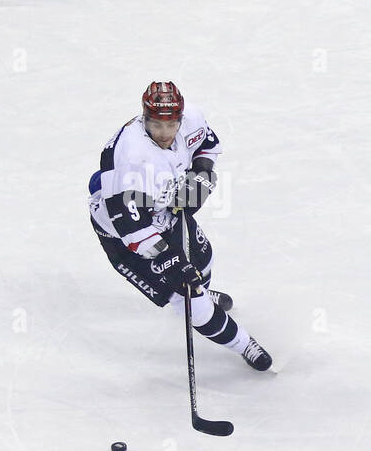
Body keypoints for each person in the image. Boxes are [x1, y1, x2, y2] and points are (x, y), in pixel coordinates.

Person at [88, 81, 271, 370]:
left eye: (171, 124)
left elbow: (208, 146)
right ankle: (243, 343)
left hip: (161, 204)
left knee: (204, 258)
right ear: (144, 118)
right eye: (156, 125)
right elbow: (130, 227)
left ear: (181, 119)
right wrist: (171, 262)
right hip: (122, 230)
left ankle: (202, 294)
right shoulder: (132, 157)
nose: (164, 133)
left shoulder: (192, 121)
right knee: (191, 303)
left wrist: (201, 174)